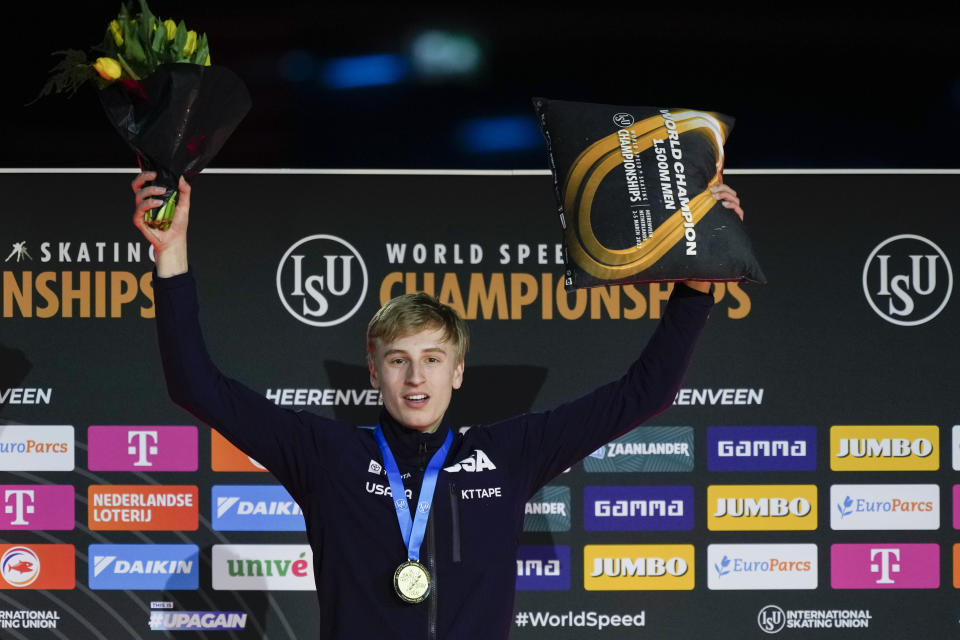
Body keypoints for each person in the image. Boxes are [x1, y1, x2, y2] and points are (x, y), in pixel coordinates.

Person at [132, 171, 743, 640]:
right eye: (398, 360)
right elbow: (195, 384)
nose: (415, 377)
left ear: (457, 372)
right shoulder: (326, 454)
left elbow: (645, 393)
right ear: (374, 372)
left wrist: (694, 291)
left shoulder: (509, 454)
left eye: (431, 359)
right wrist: (172, 250)